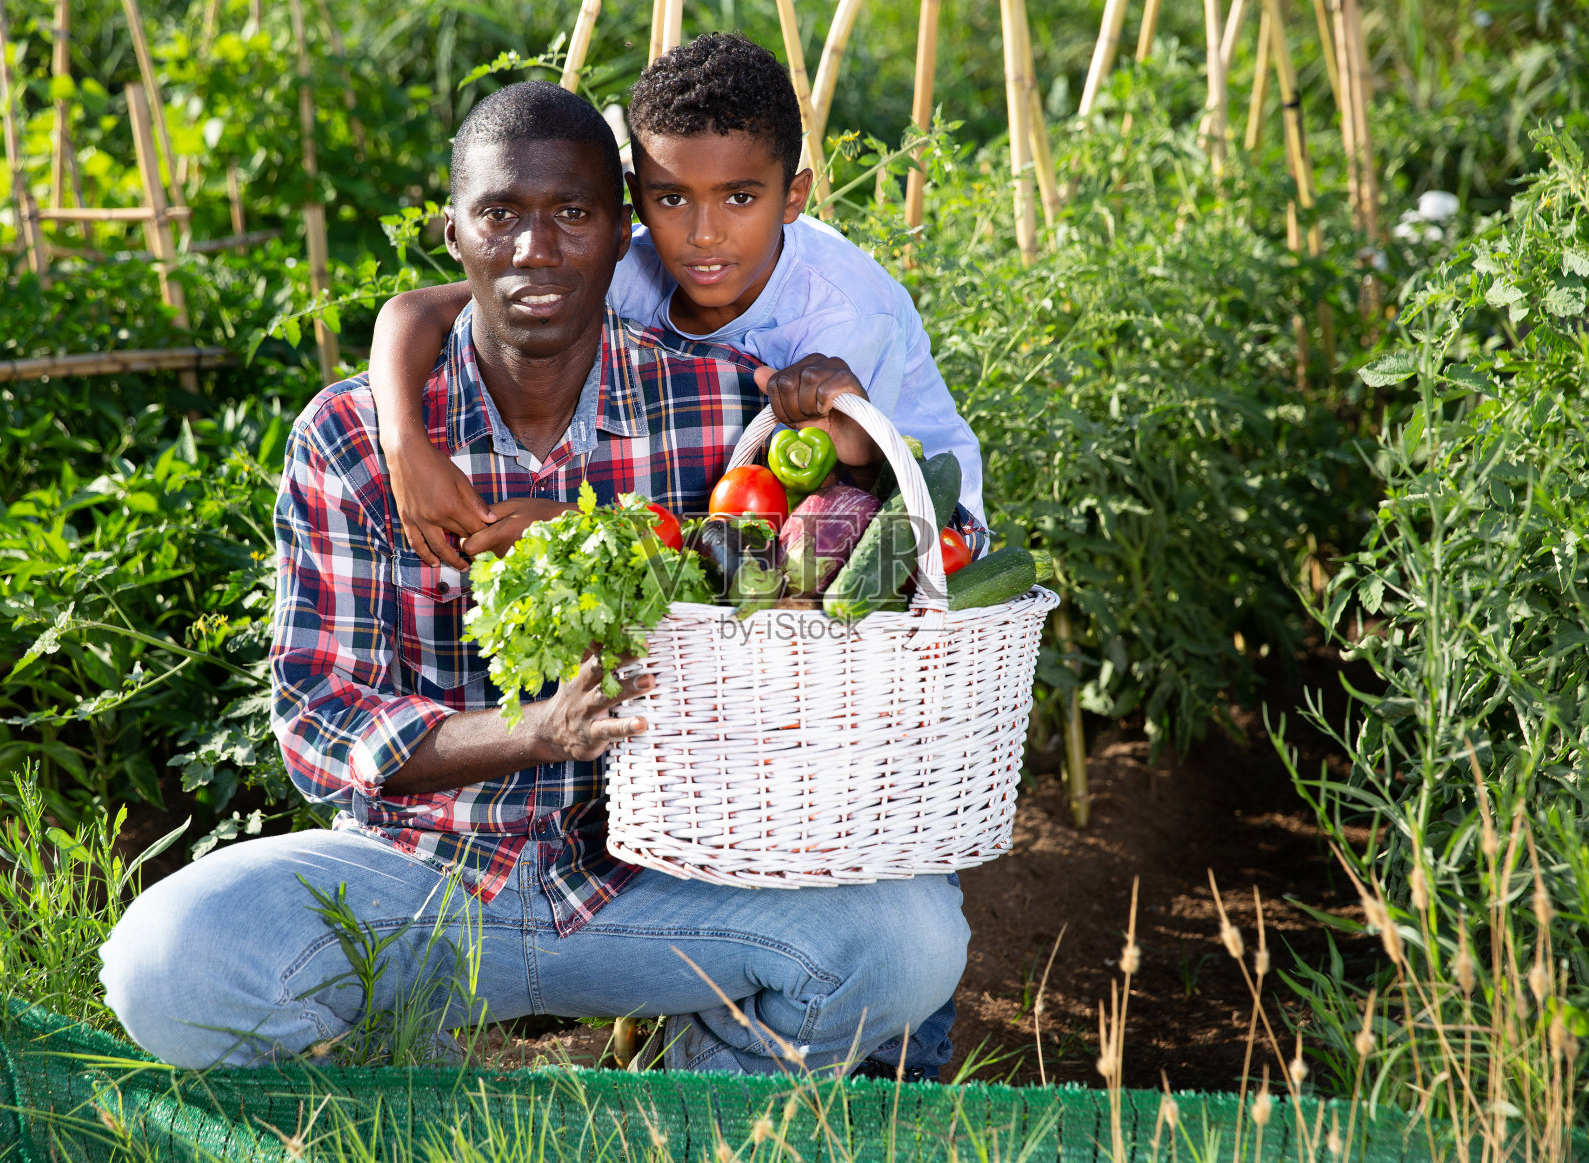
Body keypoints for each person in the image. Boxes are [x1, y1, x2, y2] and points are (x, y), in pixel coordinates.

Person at [96, 80, 968, 1075]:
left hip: (654, 884)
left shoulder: (723, 406)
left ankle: (703, 1100)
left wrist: (846, 438)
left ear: (617, 232)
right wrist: (534, 729)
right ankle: (399, 1080)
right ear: (454, 232)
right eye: (500, 214)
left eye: (572, 215)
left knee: (911, 938)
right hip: (417, 876)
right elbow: (318, 723)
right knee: (168, 961)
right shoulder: (353, 437)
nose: (535, 249)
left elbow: (807, 594)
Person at [370, 32, 985, 583]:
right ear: (635, 201)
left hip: (922, 537)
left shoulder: (843, 316)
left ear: (794, 195)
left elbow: (825, 531)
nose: (704, 235)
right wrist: (403, 442)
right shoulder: (626, 265)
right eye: (672, 199)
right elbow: (423, 309)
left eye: (740, 197)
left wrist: (581, 532)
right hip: (740, 536)